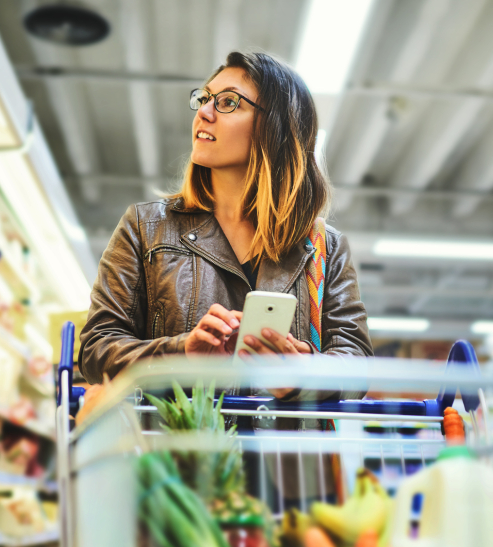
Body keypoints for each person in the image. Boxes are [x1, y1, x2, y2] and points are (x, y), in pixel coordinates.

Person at [78, 50, 372, 407]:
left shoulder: (324, 246)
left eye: (228, 102)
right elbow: (96, 350)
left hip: (286, 458)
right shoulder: (146, 228)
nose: (204, 112)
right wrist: (181, 352)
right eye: (203, 99)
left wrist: (303, 371)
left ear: (276, 127)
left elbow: (357, 363)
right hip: (180, 457)